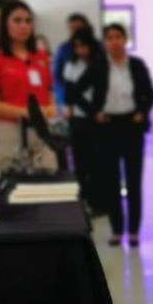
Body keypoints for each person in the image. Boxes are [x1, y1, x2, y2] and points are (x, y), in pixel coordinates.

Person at [95, 23, 153, 247]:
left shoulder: (137, 65)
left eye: (118, 37)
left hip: (132, 125)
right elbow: (74, 90)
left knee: (134, 179)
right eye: (109, 37)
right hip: (108, 127)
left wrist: (143, 111)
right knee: (111, 180)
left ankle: (133, 231)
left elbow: (151, 94)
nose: (114, 41)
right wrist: (95, 112)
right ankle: (116, 229)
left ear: (125, 39)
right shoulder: (99, 66)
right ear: (104, 42)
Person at [0, 0, 58, 172]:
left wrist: (52, 106)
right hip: (9, 129)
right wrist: (24, 112)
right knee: (14, 181)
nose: (24, 26)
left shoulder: (40, 57)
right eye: (17, 20)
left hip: (40, 128)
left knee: (47, 175)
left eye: (28, 21)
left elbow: (49, 91)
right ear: (5, 24)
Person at [62, 27, 107, 212]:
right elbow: (71, 94)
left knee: (98, 162)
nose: (80, 50)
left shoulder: (100, 63)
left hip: (99, 119)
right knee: (81, 163)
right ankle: (84, 200)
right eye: (76, 47)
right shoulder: (71, 66)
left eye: (83, 46)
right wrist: (88, 110)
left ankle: (100, 202)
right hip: (80, 118)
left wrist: (97, 111)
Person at [53, 13, 92, 110]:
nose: (74, 31)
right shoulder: (63, 49)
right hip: (72, 101)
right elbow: (57, 76)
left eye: (78, 28)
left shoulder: (98, 46)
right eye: (71, 28)